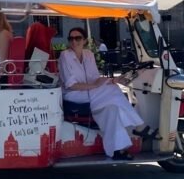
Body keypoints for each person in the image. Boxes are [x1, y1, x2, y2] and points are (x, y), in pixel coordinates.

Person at [58, 27, 154, 160]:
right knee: (112, 90)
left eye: (78, 38)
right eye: (71, 38)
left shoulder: (88, 55)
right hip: (73, 95)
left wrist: (112, 80)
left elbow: (95, 78)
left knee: (112, 109)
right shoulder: (65, 56)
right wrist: (95, 86)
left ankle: (117, 150)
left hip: (91, 93)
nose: (74, 41)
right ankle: (139, 125)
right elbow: (71, 85)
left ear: (85, 40)